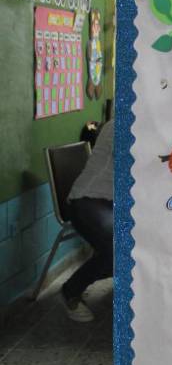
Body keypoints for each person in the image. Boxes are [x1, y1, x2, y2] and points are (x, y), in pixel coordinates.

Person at [60, 119, 114, 322]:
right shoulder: (121, 125)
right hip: (88, 200)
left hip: (110, 203)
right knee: (118, 247)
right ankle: (71, 291)